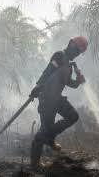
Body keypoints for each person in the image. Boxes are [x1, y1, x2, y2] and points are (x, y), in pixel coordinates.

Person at [29, 35, 88, 167]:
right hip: (47, 99)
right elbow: (48, 72)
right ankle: (35, 162)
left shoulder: (69, 65)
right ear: (71, 46)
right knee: (44, 130)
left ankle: (50, 137)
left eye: (79, 53)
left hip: (57, 98)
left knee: (73, 116)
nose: (77, 54)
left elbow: (70, 83)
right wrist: (38, 87)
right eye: (77, 51)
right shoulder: (59, 56)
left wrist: (78, 81)